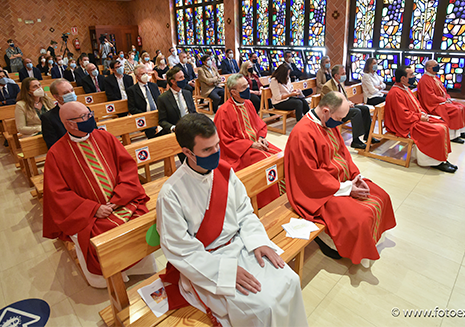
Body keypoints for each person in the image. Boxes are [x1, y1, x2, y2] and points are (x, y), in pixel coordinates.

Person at [157, 114, 308, 327]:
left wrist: (258, 241)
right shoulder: (171, 193)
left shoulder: (225, 172)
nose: (216, 153)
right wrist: (226, 272)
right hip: (208, 263)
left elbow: (245, 212)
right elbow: (180, 250)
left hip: (241, 245)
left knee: (290, 281)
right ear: (187, 152)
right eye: (207, 150)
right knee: (263, 306)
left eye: (217, 145)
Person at [42, 102, 158, 288]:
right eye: (85, 117)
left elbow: (127, 168)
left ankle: (138, 268)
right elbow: (58, 194)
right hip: (88, 214)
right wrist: (94, 209)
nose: (90, 119)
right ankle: (110, 279)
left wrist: (117, 199)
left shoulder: (106, 137)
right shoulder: (56, 154)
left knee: (139, 223)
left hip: (122, 202)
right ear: (70, 124)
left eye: (90, 114)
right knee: (99, 239)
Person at [284, 91, 396, 266]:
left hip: (343, 181)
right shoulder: (302, 133)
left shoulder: (329, 124)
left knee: (381, 196)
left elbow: (343, 153)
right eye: (340, 117)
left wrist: (355, 176)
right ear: (326, 111)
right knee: (360, 217)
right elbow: (309, 175)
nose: (341, 122)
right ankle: (330, 242)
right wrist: (346, 188)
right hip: (320, 191)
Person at [214, 74, 281, 208]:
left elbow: (258, 124)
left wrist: (261, 138)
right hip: (239, 152)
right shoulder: (223, 111)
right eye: (244, 87)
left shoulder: (248, 103)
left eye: (247, 85)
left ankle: (284, 193)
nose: (248, 89)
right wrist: (250, 144)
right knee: (267, 162)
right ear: (233, 92)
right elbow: (225, 141)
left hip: (256, 143)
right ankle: (271, 202)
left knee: (281, 154)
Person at [385, 66, 458, 173]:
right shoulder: (396, 92)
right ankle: (432, 161)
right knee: (436, 131)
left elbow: (416, 104)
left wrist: (422, 113)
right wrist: (419, 117)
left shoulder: (405, 88)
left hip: (413, 118)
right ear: (403, 78)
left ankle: (441, 159)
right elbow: (402, 115)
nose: (414, 77)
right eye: (411, 75)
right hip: (404, 124)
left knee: (442, 124)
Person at [321, 65, 375, 150]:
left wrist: (349, 102)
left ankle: (368, 135)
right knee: (356, 112)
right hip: (335, 112)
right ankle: (356, 141)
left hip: (344, 107)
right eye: (343, 73)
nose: (344, 75)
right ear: (336, 75)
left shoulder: (340, 83)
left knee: (365, 109)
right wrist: (346, 104)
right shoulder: (327, 87)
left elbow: (344, 98)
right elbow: (331, 103)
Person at [417, 60, 465, 144]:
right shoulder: (424, 80)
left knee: (461, 107)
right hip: (432, 105)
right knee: (455, 110)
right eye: (435, 65)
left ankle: (461, 132)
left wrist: (447, 98)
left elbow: (443, 91)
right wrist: (444, 100)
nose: (437, 67)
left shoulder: (435, 77)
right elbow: (429, 97)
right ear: (428, 68)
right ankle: (453, 136)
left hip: (441, 101)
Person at [157, 66, 196, 134]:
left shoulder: (187, 93)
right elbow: (162, 121)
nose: (184, 79)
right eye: (181, 77)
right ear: (173, 82)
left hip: (190, 127)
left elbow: (193, 112)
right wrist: (173, 128)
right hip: (175, 130)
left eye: (183, 76)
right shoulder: (163, 98)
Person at [127, 65, 162, 138]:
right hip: (145, 116)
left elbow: (160, 100)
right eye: (142, 74)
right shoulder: (132, 90)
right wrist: (146, 115)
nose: (145, 75)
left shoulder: (153, 86)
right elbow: (132, 108)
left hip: (158, 113)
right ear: (137, 76)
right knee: (151, 130)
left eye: (146, 73)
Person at [41, 79, 77, 149]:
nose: (71, 94)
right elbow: (53, 146)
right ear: (56, 97)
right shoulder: (48, 118)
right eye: (66, 93)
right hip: (67, 152)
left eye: (72, 90)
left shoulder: (85, 110)